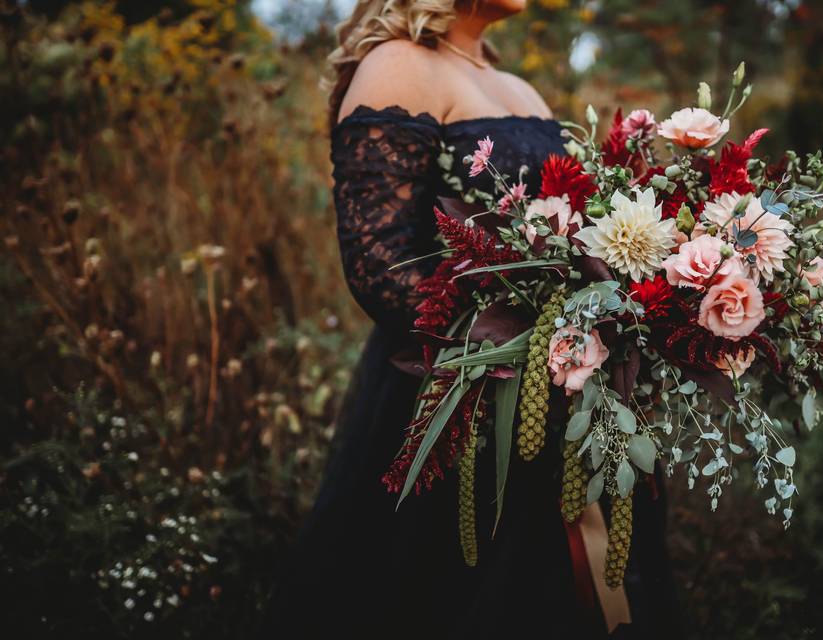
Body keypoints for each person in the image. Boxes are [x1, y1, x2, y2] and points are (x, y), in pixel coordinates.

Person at [261, 2, 678, 637]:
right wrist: (523, 344)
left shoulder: (516, 85)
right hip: (461, 392)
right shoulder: (398, 66)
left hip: (572, 382)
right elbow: (380, 264)